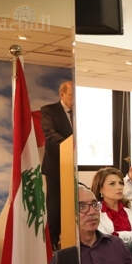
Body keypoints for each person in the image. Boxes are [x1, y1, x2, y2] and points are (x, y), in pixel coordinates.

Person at [40, 80, 74, 249]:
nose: (75, 99)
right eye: (71, 95)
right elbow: (50, 134)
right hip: (55, 164)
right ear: (62, 94)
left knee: (72, 203)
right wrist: (70, 146)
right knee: (55, 204)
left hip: (73, 165)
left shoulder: (80, 112)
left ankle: (70, 238)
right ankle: (53, 241)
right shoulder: (49, 110)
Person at [92, 167, 132, 262]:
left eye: (121, 183)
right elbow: (106, 241)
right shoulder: (95, 210)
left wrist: (117, 235)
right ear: (100, 189)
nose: (119, 187)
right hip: (109, 257)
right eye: (112, 184)